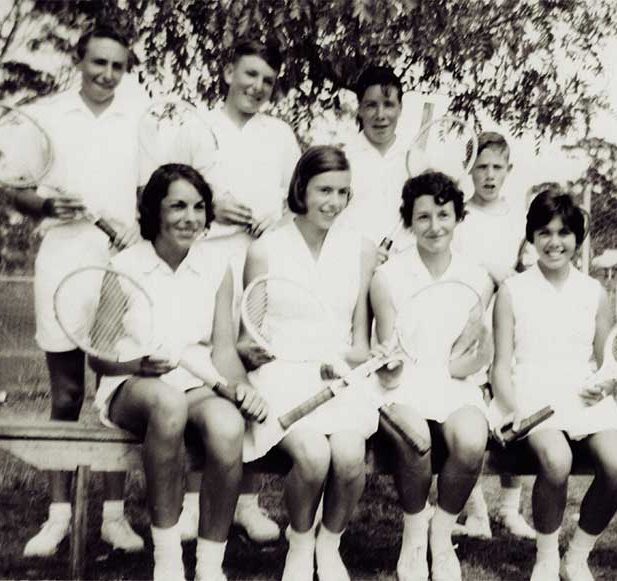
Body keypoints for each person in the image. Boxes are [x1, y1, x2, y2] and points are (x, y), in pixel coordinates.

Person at [91, 163, 268, 581]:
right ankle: (167, 561)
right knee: (167, 404)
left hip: (196, 382)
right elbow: (98, 356)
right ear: (155, 210)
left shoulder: (216, 265)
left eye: (199, 207)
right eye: (177, 206)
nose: (190, 217)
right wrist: (138, 365)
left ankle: (210, 566)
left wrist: (240, 388)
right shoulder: (124, 264)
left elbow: (223, 350)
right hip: (131, 383)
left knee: (228, 426)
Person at [15, 24, 145, 557]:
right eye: (99, 64)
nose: (107, 75)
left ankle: (115, 517)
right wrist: (47, 206)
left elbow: (148, 192)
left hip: (119, 263)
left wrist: (136, 237)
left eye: (117, 66)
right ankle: (59, 517)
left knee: (114, 392)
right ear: (79, 60)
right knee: (66, 394)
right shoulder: (45, 115)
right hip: (62, 257)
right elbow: (18, 193)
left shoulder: (138, 116)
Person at [179, 38, 301, 543]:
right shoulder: (196, 125)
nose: (257, 87)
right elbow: (169, 189)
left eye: (268, 82)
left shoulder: (279, 134)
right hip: (204, 259)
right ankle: (191, 502)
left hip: (259, 262)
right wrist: (213, 207)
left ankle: (247, 502)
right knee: (203, 373)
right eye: (249, 75)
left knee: (252, 367)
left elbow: (298, 196)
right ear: (229, 72)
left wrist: (279, 209)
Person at [239, 146, 379, 581]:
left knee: (350, 454)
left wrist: (339, 363)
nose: (333, 202)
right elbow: (248, 338)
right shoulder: (264, 250)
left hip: (340, 378)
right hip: (280, 378)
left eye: (342, 192)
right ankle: (299, 545)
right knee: (314, 454)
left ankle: (329, 544)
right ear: (302, 188)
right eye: (324, 190)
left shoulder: (361, 249)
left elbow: (361, 344)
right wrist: (254, 352)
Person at [491, 189, 617, 581]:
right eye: (544, 232)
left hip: (583, 396)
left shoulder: (594, 292)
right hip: (530, 395)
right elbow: (500, 368)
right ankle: (546, 557)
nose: (554, 242)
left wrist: (604, 386)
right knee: (556, 460)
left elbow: (608, 365)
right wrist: (515, 409)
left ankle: (577, 557)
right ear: (531, 237)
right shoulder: (512, 290)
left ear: (578, 237)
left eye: (564, 232)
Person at [370, 171, 494, 581]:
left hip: (454, 385)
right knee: (417, 439)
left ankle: (441, 537)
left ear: (459, 216)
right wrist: (391, 364)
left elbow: (476, 352)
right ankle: (414, 538)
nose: (435, 226)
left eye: (444, 214)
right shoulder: (387, 276)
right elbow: (389, 351)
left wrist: (468, 366)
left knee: (473, 440)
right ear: (409, 222)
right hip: (402, 384)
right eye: (423, 217)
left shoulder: (478, 278)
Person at [451, 131, 536, 540]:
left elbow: (527, 269)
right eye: (480, 167)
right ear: (469, 169)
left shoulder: (519, 218)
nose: (488, 175)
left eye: (496, 167)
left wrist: (512, 278)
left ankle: (509, 507)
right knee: (469, 407)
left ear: (509, 170)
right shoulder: (459, 216)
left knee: (510, 404)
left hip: (512, 320)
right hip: (467, 318)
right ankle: (475, 511)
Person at [337, 64, 414, 253]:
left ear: (400, 108)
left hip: (403, 266)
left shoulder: (416, 160)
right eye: (371, 105)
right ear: (360, 109)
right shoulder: (342, 160)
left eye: (388, 105)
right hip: (352, 266)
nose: (380, 115)